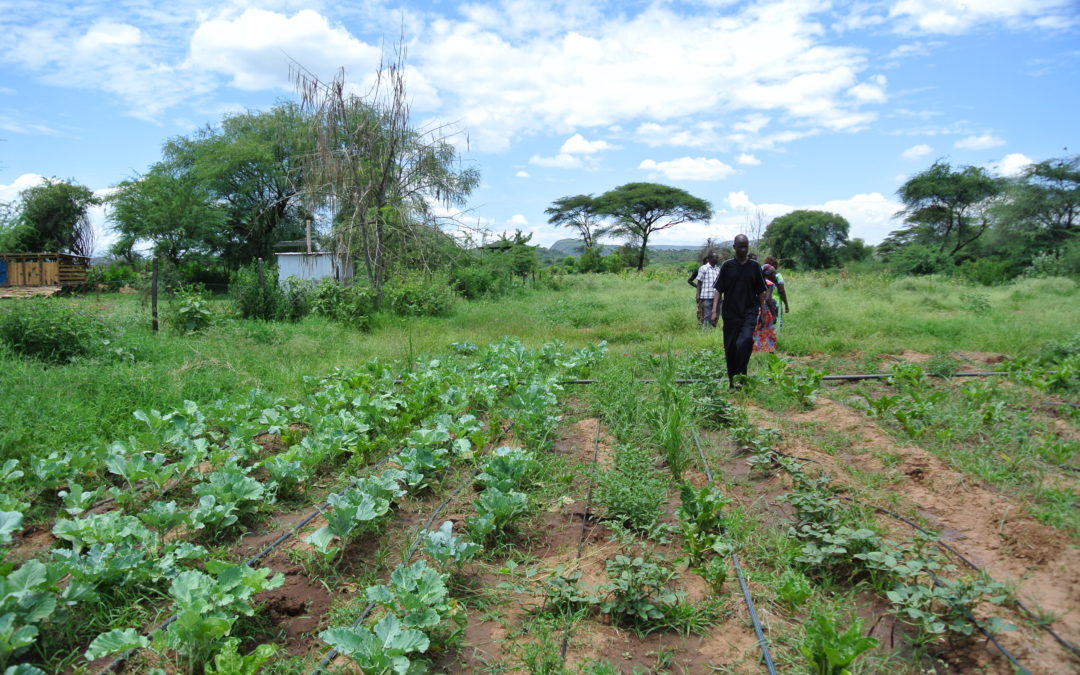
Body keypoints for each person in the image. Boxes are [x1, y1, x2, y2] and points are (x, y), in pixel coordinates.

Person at [711, 235, 768, 388]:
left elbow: (762, 291)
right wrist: (714, 311)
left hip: (749, 311)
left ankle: (742, 376)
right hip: (730, 313)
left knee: (746, 341)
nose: (743, 250)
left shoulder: (754, 266)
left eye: (746, 246)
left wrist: (763, 311)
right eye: (740, 246)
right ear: (734, 247)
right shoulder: (727, 266)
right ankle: (732, 381)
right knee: (730, 347)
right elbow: (718, 289)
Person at [690, 252, 720, 328]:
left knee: (716, 314)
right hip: (706, 296)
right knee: (707, 315)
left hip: (717, 297)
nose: (716, 259)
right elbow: (699, 282)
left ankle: (712, 330)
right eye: (714, 257)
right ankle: (706, 332)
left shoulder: (718, 269)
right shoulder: (703, 268)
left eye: (717, 257)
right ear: (709, 259)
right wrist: (697, 295)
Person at [763, 257, 790, 335]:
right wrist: (786, 305)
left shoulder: (762, 275)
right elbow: (781, 291)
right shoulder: (778, 275)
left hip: (763, 303)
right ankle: (776, 341)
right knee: (776, 323)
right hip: (775, 303)